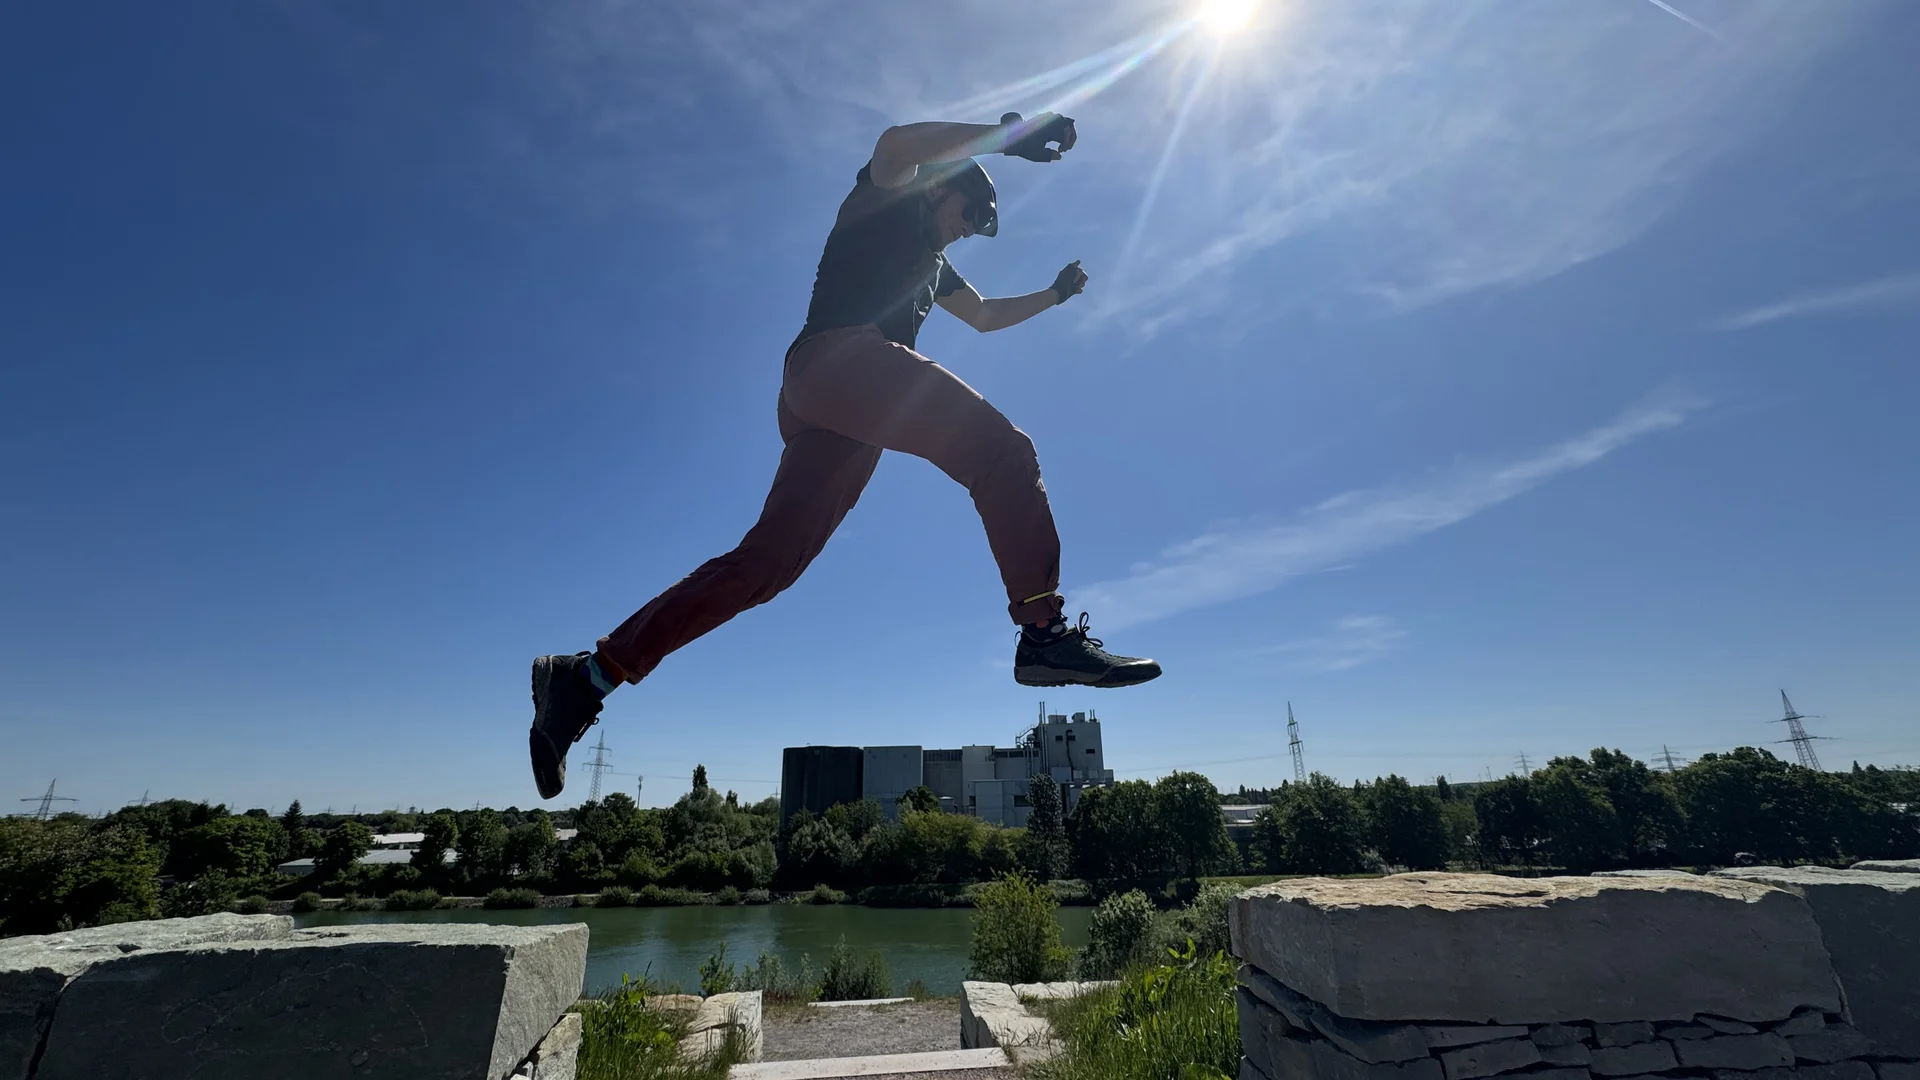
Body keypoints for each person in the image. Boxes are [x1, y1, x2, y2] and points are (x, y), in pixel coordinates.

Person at [527, 112, 1161, 799]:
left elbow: (983, 317)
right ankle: (1043, 632)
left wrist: (1056, 296)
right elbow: (895, 144)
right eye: (970, 212)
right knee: (1004, 454)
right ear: (940, 189)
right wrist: (1008, 136)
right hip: (836, 362)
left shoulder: (937, 271)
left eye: (982, 226)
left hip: (840, 412)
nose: (970, 228)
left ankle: (586, 678)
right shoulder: (885, 201)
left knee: (766, 566)